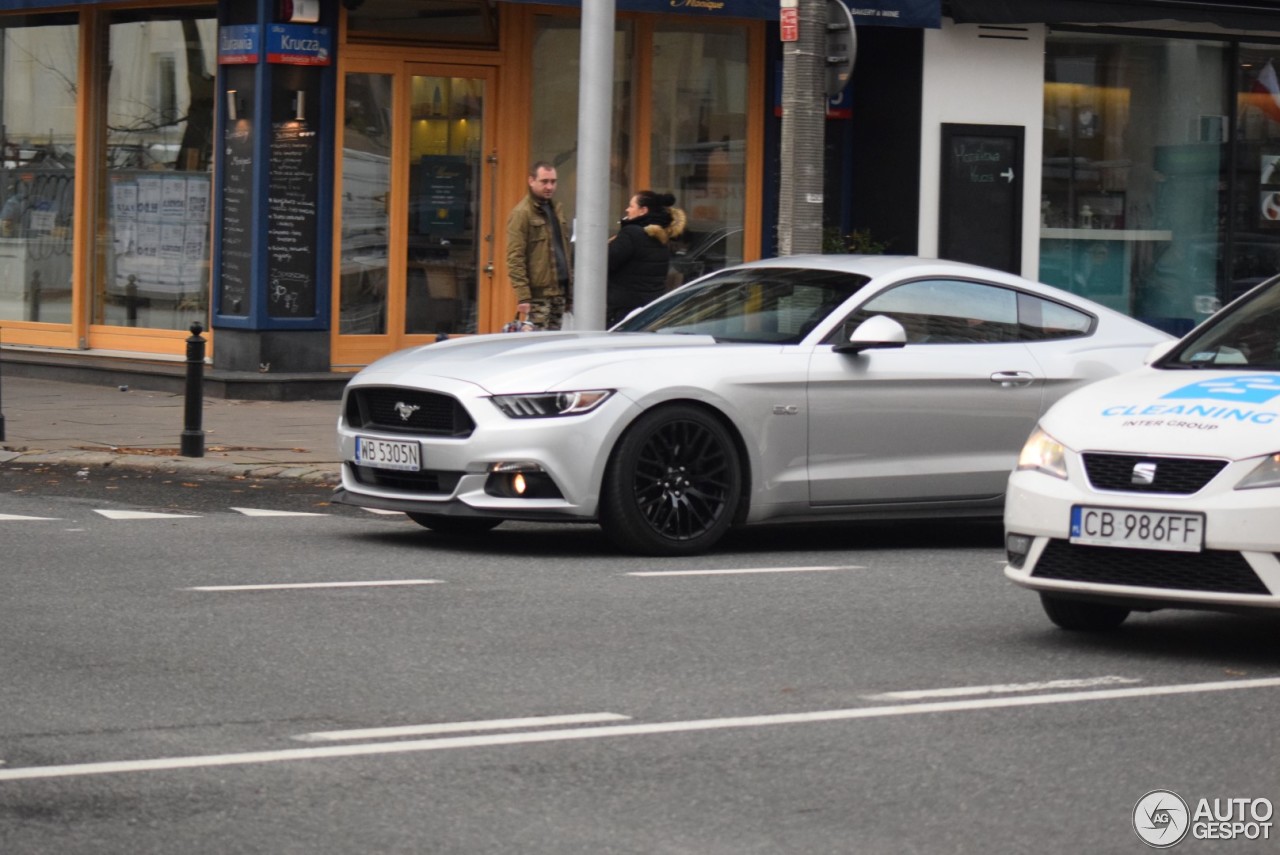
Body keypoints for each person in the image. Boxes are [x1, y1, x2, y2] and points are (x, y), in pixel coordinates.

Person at [505, 161, 572, 330]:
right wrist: (523, 297)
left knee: (552, 344)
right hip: (538, 295)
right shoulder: (522, 213)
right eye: (544, 181)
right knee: (537, 343)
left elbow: (564, 251)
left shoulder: (557, 209)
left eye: (553, 181)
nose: (549, 186)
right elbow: (515, 258)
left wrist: (569, 293)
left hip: (559, 292)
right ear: (531, 181)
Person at [606, 190, 685, 326]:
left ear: (643, 210)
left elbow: (606, 262)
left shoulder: (631, 234)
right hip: (649, 308)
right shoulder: (661, 237)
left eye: (631, 206)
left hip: (623, 309)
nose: (627, 210)